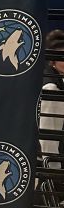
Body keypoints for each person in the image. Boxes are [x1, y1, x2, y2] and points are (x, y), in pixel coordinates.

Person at [40, 29, 64, 166]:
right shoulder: (51, 88)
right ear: (52, 61)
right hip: (54, 165)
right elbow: (48, 138)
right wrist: (53, 171)